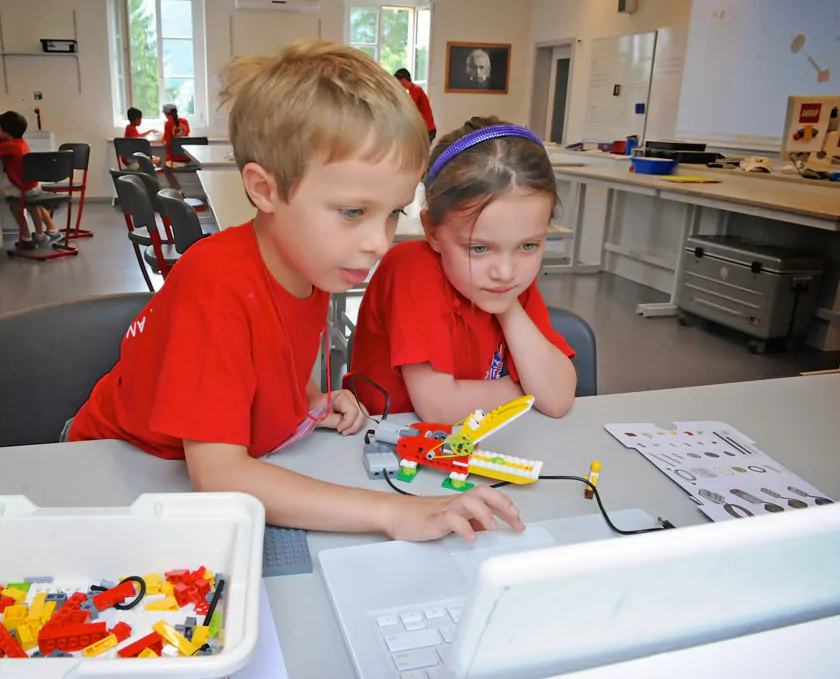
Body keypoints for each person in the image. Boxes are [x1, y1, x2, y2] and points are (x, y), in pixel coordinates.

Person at [67, 41, 523, 544]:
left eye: (393, 212)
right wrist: (395, 513)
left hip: (183, 465)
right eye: (353, 212)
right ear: (265, 190)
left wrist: (305, 399)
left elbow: (267, 352)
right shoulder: (216, 285)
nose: (378, 242)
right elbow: (220, 476)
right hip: (111, 471)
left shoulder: (314, 258)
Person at [345, 116, 577, 423]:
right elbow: (440, 409)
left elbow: (558, 398)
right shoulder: (411, 269)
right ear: (432, 231)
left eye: (528, 246)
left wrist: (507, 309)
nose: (506, 272)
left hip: (464, 447)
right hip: (387, 448)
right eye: (479, 248)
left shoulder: (507, 286)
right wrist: (526, 390)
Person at [0, 110, 62, 250]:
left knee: (14, 204)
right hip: (33, 185)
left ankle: (28, 237)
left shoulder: (10, 146)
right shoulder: (20, 143)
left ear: (4, 130)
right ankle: (41, 234)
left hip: (23, 188)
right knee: (34, 205)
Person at [394, 68, 436, 143]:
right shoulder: (412, 90)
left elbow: (408, 107)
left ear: (403, 80)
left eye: (397, 82)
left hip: (426, 131)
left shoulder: (416, 90)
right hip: (424, 130)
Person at [162, 103, 191, 168]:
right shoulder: (185, 121)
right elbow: (186, 137)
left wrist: (164, 142)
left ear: (165, 113)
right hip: (186, 156)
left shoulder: (168, 123)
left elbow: (168, 143)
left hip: (173, 158)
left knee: (165, 169)